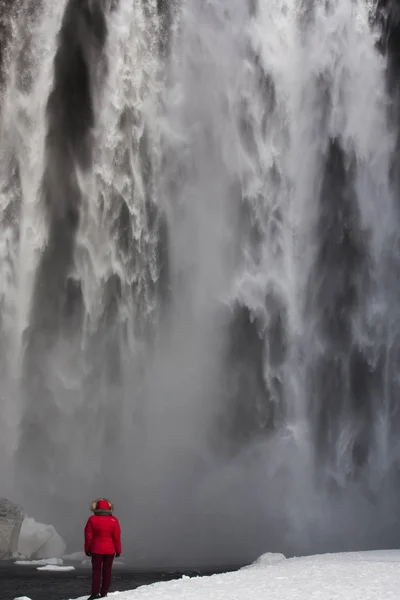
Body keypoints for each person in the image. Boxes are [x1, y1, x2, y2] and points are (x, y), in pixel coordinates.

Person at [84, 498, 122, 600]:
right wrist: (118, 550)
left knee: (96, 571)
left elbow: (88, 536)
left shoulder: (92, 519)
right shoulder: (114, 520)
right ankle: (104, 593)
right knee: (107, 571)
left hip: (96, 550)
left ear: (96, 507)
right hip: (110, 550)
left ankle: (94, 593)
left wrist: (87, 549)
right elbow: (116, 537)